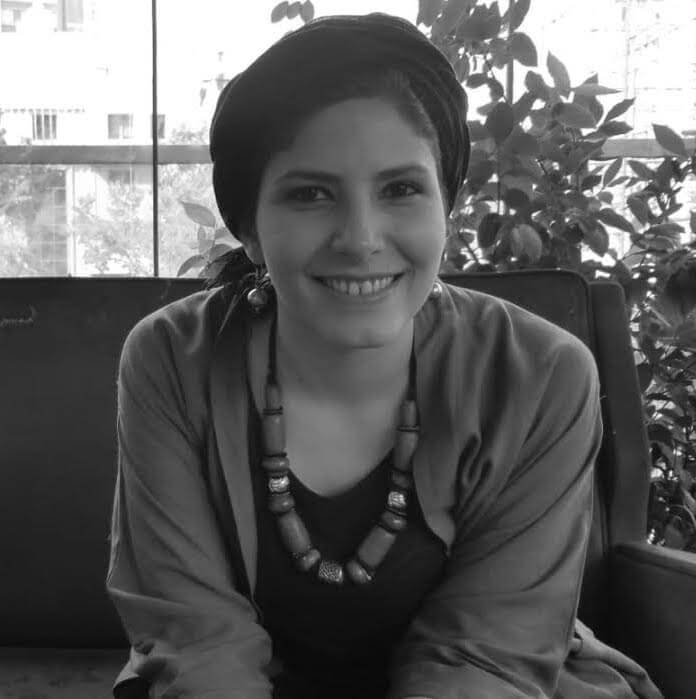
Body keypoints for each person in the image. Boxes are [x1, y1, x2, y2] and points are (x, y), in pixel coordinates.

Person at [106, 13, 663, 699]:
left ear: (447, 204)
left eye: (401, 188)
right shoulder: (170, 360)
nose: (361, 237)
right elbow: (197, 646)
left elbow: (485, 659)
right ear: (249, 225)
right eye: (310, 194)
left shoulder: (543, 373)